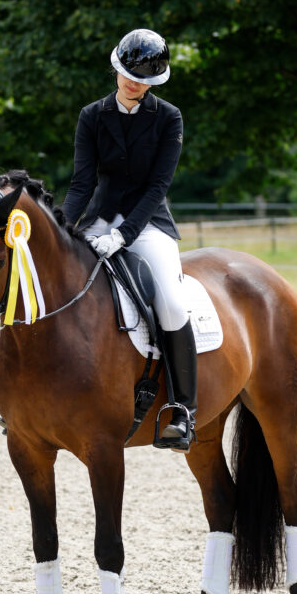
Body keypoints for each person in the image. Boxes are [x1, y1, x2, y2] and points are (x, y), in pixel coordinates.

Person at [63, 28, 197, 451]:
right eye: (128, 73)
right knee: (54, 281)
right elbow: (82, 184)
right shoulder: (91, 115)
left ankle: (182, 411)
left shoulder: (169, 118)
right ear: (116, 67)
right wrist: (65, 231)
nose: (133, 83)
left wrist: (124, 234)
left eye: (143, 79)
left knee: (173, 302)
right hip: (98, 218)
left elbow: (158, 186)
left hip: (149, 223)